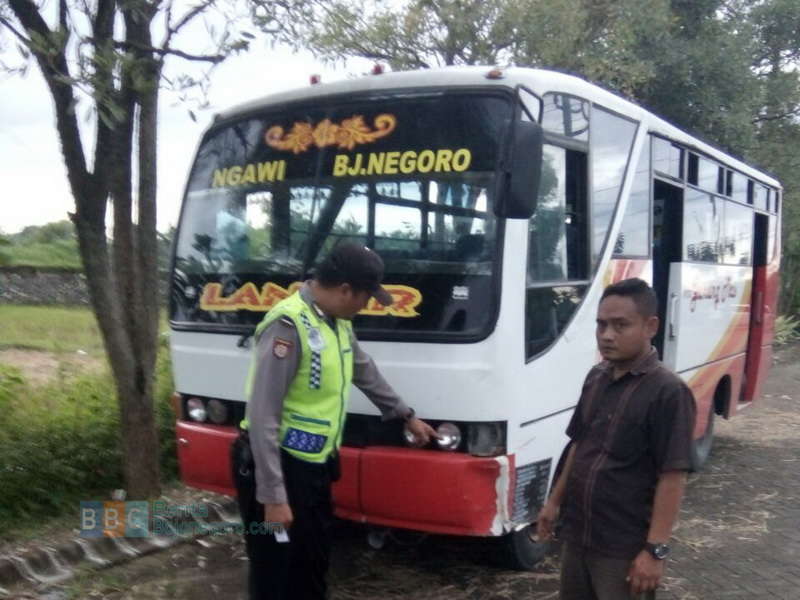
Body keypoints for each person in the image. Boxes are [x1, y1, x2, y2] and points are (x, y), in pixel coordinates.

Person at [231, 242, 437, 600]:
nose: (367, 305)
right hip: (276, 468)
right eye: (366, 297)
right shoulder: (287, 325)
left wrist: (406, 415)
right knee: (274, 572)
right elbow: (263, 415)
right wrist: (273, 497)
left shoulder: (337, 322)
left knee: (312, 563)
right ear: (345, 290)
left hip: (313, 468)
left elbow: (364, 370)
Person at [537, 278, 696, 600]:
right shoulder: (596, 377)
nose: (607, 335)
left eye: (621, 325)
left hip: (623, 548)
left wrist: (655, 551)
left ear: (651, 326)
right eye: (601, 324)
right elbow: (579, 444)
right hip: (579, 536)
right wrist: (554, 502)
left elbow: (673, 476)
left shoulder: (668, 392)